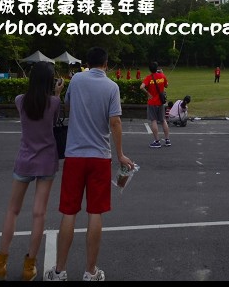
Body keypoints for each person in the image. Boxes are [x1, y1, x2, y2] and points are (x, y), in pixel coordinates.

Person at [45, 47, 133, 282]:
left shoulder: (76, 80)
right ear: (106, 64)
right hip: (99, 157)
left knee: (69, 212)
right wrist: (121, 154)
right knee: (95, 212)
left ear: (87, 62)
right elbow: (115, 122)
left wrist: (58, 90)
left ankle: (59, 271)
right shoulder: (112, 87)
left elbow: (68, 106)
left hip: (74, 154)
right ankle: (90, 271)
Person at [0, 62, 64, 281]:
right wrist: (57, 92)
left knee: (12, 210)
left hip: (24, 160)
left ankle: (1, 264)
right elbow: (55, 116)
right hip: (47, 161)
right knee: (39, 213)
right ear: (51, 82)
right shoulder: (54, 102)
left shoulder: (20, 100)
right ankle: (29, 266)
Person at [140, 62, 170, 147]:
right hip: (161, 102)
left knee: (153, 120)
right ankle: (167, 140)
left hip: (152, 102)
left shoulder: (149, 78)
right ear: (157, 68)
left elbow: (141, 87)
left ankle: (157, 141)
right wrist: (162, 74)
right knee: (163, 120)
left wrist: (148, 93)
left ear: (149, 69)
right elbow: (167, 85)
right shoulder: (162, 76)